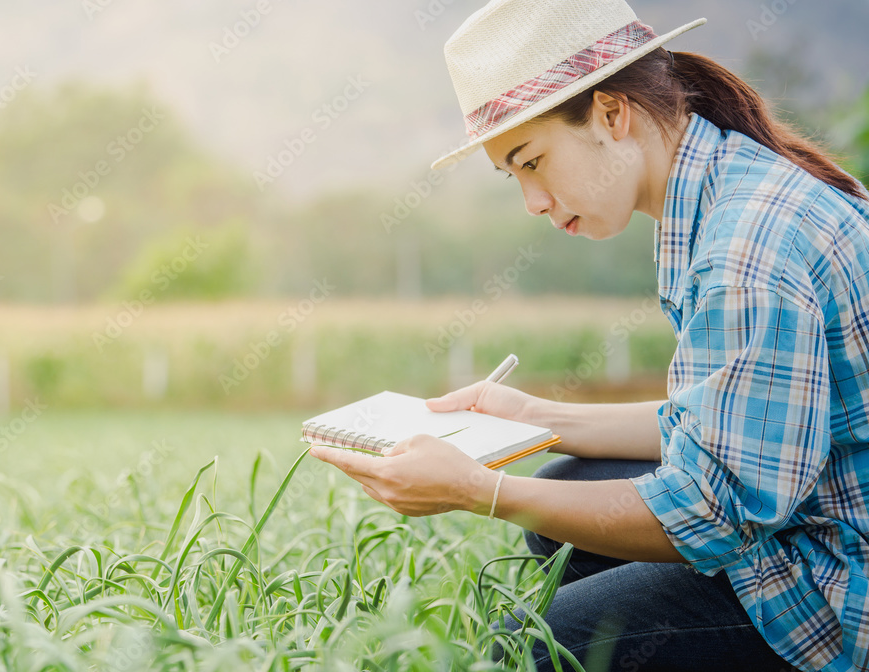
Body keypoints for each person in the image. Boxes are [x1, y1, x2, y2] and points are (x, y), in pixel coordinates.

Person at [309, 0, 869, 669]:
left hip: (834, 583)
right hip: (807, 518)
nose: (533, 202)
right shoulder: (723, 185)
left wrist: (480, 492)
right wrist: (539, 415)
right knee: (570, 494)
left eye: (533, 161)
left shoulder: (743, 251)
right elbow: (726, 427)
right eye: (513, 175)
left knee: (532, 646)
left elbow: (715, 510)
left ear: (611, 114)